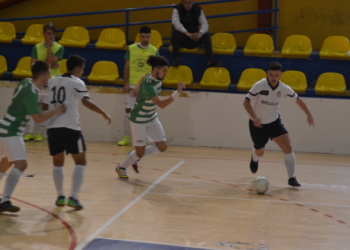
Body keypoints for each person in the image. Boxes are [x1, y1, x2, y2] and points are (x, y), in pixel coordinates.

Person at [47, 54, 111, 210]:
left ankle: (60, 196)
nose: (83, 72)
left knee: (58, 162)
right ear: (76, 68)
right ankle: (74, 197)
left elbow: (43, 104)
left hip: (52, 127)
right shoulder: (77, 82)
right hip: (70, 127)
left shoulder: (52, 81)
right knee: (81, 162)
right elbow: (86, 102)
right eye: (82, 69)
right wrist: (103, 112)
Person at [0, 61, 66, 212]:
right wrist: (55, 111)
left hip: (3, 126)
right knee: (21, 165)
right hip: (12, 131)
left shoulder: (25, 82)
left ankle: (4, 200)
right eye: (48, 74)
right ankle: (4, 201)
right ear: (42, 76)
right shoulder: (32, 93)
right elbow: (38, 119)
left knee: (5, 164)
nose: (49, 77)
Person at [243, 62, 314, 187]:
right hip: (257, 125)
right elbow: (246, 103)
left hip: (274, 122)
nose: (273, 78)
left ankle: (291, 178)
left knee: (288, 147)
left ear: (280, 75)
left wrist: (308, 114)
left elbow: (297, 100)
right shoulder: (259, 85)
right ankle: (255, 157)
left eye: (276, 75)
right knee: (260, 152)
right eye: (271, 75)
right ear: (267, 74)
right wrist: (255, 118)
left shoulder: (284, 88)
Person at [116, 55, 186, 179]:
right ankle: (121, 167)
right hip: (138, 119)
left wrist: (137, 89)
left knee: (162, 147)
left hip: (151, 117)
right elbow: (162, 104)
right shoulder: (149, 86)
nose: (166, 73)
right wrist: (178, 93)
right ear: (156, 70)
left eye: (166, 70)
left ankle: (133, 155)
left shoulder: (155, 78)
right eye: (164, 70)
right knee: (141, 153)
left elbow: (143, 78)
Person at [118, 26, 160, 146]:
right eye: (143, 36)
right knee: (128, 111)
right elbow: (126, 66)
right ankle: (126, 137)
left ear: (150, 37)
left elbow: (156, 71)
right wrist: (125, 83)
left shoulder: (154, 50)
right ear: (139, 36)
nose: (145, 38)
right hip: (131, 85)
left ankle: (147, 139)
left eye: (147, 36)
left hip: (146, 87)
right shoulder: (131, 48)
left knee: (146, 113)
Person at [24, 22, 65, 142]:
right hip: (37, 82)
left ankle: (40, 133)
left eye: (52, 34)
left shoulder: (59, 48)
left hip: (51, 82)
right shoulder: (36, 47)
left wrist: (48, 49)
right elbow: (33, 65)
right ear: (44, 33)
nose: (50, 36)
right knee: (34, 106)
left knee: (46, 107)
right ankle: (30, 132)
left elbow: (51, 63)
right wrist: (47, 66)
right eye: (48, 34)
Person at [171, 0, 221, 67]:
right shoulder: (177, 9)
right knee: (175, 32)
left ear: (193, 2)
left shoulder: (198, 9)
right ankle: (176, 59)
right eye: (185, 3)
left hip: (194, 39)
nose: (188, 5)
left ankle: (210, 61)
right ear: (182, 2)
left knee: (206, 34)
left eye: (190, 3)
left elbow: (205, 24)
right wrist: (187, 33)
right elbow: (176, 23)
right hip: (182, 40)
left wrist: (200, 34)